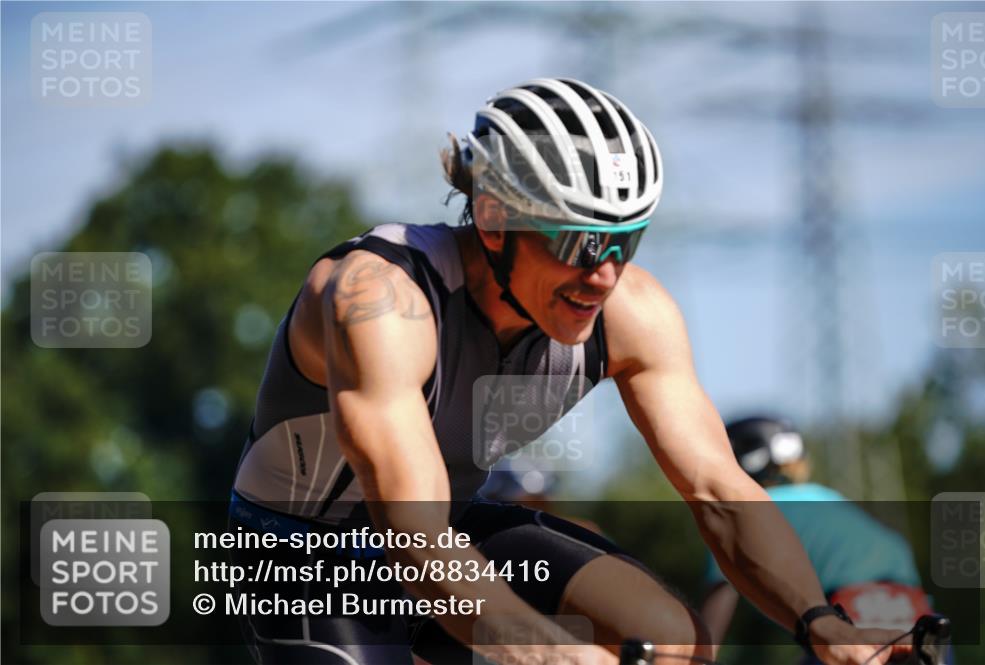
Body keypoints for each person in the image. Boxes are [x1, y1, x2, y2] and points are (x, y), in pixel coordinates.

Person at [228, 77, 913, 665]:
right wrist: (543, 645)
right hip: (306, 551)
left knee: (670, 639)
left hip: (451, 524)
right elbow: (411, 531)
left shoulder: (633, 311)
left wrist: (819, 622)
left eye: (626, 240)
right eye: (582, 243)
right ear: (494, 222)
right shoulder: (381, 299)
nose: (605, 273)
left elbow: (717, 488)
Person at [700, 416, 938, 663]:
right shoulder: (827, 496)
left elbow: (721, 595)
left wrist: (698, 655)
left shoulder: (741, 512)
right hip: (913, 607)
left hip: (847, 609)